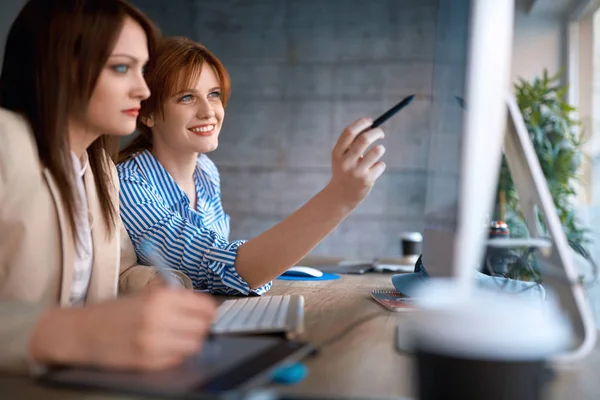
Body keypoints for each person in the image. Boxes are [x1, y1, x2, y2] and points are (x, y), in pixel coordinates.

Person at [0, 0, 216, 374]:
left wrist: (158, 287)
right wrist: (71, 334)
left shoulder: (98, 166)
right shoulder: (6, 141)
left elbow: (118, 272)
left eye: (143, 70)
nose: (143, 89)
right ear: (58, 68)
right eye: (121, 68)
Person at [118, 37, 386, 295]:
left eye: (214, 94)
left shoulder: (206, 172)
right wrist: (339, 197)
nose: (209, 111)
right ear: (147, 113)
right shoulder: (128, 184)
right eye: (186, 97)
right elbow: (222, 269)